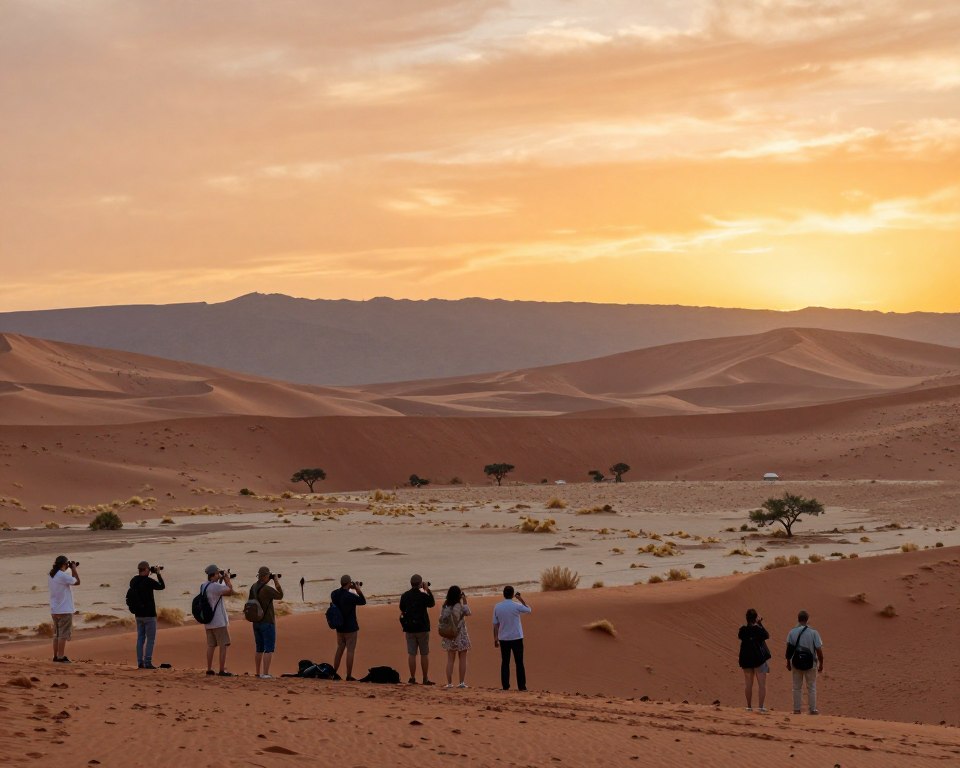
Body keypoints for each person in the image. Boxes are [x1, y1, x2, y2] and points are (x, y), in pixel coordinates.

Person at [493, 586, 531, 691]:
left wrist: (495, 638)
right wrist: (519, 598)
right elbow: (528, 609)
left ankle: (505, 685)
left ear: (503, 594)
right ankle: (522, 686)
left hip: (503, 638)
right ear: (512, 594)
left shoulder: (497, 606)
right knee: (519, 662)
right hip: (516, 637)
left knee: (505, 662)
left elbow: (495, 624)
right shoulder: (516, 606)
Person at [786, 609, 824, 714]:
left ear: (798, 619)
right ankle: (813, 709)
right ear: (807, 620)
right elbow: (819, 650)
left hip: (796, 663)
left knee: (796, 687)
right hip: (811, 664)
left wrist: (788, 663)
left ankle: (797, 709)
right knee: (811, 686)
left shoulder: (792, 632)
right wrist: (821, 664)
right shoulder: (814, 633)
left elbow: (788, 649)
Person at [399, 574, 435, 684]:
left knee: (412, 654)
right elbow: (432, 603)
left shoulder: (405, 595)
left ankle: (412, 677)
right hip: (422, 627)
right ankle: (425, 678)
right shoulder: (423, 595)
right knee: (424, 653)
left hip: (410, 628)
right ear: (420, 583)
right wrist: (427, 590)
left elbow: (401, 607)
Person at [129, 561, 165, 669]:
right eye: (148, 569)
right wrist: (158, 573)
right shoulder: (148, 581)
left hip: (138, 615)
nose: (149, 570)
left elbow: (139, 581)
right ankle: (148, 661)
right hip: (149, 614)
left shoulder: (133, 581)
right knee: (150, 639)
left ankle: (140, 662)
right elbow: (161, 586)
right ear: (145, 569)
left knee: (140, 638)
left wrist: (151, 573)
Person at [331, 575, 366, 681]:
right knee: (350, 651)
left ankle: (334, 672)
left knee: (339, 649)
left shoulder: (334, 594)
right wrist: (358, 590)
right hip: (350, 627)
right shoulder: (350, 596)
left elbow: (337, 595)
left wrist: (350, 587)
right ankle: (349, 675)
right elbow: (363, 601)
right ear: (348, 583)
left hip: (339, 626)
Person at [201, 564, 235, 676]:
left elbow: (218, 592)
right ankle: (221, 670)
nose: (218, 575)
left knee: (211, 646)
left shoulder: (203, 586)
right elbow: (230, 591)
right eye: (217, 573)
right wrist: (227, 579)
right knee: (223, 645)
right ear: (213, 574)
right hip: (219, 622)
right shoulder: (215, 587)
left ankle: (209, 668)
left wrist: (221, 579)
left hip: (208, 621)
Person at [250, 566, 283, 679]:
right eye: (268, 575)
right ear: (265, 576)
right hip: (267, 621)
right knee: (269, 648)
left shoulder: (253, 587)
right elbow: (280, 595)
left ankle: (258, 672)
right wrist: (276, 581)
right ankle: (265, 673)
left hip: (256, 621)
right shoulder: (267, 589)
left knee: (259, 648)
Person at [48, 555, 79, 663]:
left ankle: (56, 656)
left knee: (56, 634)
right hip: (64, 609)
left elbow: (65, 577)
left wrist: (70, 568)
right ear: (63, 564)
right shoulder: (62, 576)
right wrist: (74, 569)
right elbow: (77, 581)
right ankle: (61, 656)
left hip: (55, 609)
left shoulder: (52, 574)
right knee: (63, 635)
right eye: (67, 564)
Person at [737, 607, 770, 711]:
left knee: (748, 684)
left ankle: (749, 706)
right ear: (755, 618)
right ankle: (760, 707)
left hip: (746, 661)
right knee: (761, 685)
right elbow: (766, 635)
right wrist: (759, 623)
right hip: (758, 660)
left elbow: (740, 636)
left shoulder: (743, 630)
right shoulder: (758, 629)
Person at [440, 585, 472, 689]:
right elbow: (469, 613)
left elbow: (442, 619)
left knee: (450, 660)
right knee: (462, 658)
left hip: (449, 635)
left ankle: (449, 683)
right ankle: (461, 682)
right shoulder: (460, 606)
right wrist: (465, 600)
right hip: (460, 634)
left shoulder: (445, 606)